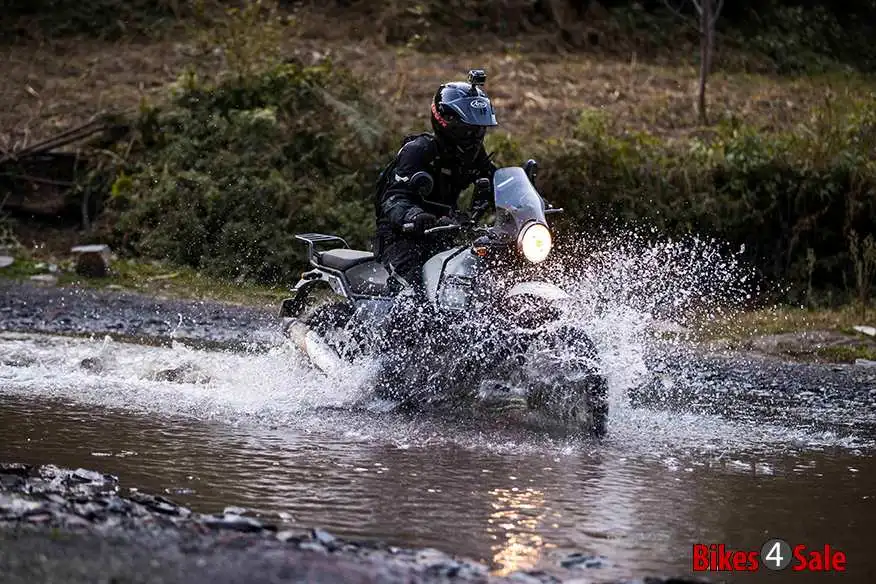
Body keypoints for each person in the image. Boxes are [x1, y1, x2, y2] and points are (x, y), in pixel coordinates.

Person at [373, 69, 499, 288]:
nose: (476, 136)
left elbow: (497, 180)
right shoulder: (418, 151)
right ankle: (390, 322)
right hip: (402, 239)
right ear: (445, 122)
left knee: (476, 285)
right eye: (468, 129)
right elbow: (393, 199)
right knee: (416, 293)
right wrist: (415, 216)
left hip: (443, 236)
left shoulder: (473, 155)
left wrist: (530, 203)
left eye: (480, 129)